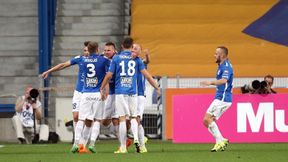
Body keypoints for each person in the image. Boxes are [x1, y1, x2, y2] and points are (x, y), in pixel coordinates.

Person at [100, 37, 161, 153]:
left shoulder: (117, 58)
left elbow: (109, 75)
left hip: (121, 92)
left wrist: (101, 87)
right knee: (135, 118)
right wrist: (156, 87)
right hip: (134, 92)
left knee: (122, 119)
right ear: (132, 46)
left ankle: (123, 147)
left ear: (122, 46)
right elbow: (148, 76)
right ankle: (139, 142)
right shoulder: (137, 59)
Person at [41, 41, 90, 140]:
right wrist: (48, 71)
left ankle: (84, 140)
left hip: (90, 93)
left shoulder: (99, 60)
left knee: (88, 119)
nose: (86, 52)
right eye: (84, 50)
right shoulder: (79, 59)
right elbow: (63, 65)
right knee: (76, 116)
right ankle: (77, 141)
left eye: (88, 50)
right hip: (79, 92)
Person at [70, 41, 110, 153]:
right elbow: (111, 71)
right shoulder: (104, 60)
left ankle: (76, 143)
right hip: (98, 93)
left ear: (89, 50)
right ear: (97, 49)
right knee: (97, 120)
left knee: (81, 119)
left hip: (86, 93)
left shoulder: (83, 59)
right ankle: (92, 143)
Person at [200, 46, 233, 152]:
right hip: (220, 97)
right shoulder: (221, 65)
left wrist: (210, 83)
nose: (214, 55)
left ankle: (219, 142)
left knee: (207, 119)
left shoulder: (226, 67)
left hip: (223, 98)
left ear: (222, 55)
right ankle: (222, 140)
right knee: (207, 121)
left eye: (216, 53)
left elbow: (224, 80)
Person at [131, 43, 150, 153]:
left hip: (139, 95)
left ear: (139, 52)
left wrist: (147, 55)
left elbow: (147, 61)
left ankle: (141, 144)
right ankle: (140, 141)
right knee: (131, 121)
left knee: (137, 120)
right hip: (128, 95)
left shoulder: (140, 62)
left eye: (136, 48)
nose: (133, 49)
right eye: (132, 48)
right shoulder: (127, 62)